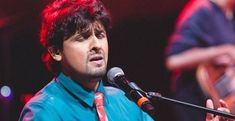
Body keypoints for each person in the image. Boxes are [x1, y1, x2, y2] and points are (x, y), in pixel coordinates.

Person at [18, 0, 155, 120]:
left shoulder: (126, 101)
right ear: (56, 51)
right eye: (83, 38)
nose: (96, 45)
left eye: (100, 35)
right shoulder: (44, 112)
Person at [165, 0, 235, 121]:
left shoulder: (227, 13)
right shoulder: (202, 8)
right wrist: (223, 51)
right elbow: (174, 60)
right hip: (196, 104)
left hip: (221, 101)